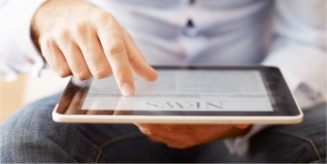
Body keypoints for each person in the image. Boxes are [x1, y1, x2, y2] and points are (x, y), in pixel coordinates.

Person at [0, 0, 326, 163]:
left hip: (250, 116)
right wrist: (43, 15)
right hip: (114, 101)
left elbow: (311, 39)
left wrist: (257, 111)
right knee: (27, 139)